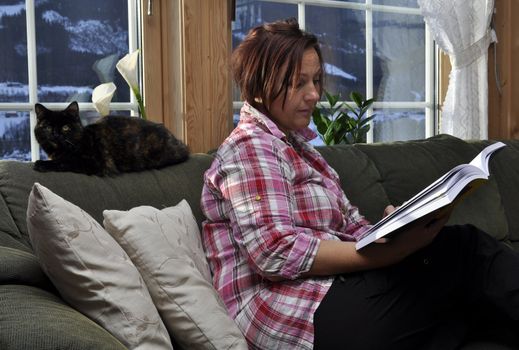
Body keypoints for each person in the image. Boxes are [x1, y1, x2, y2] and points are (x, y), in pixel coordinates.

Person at [200, 18, 519, 350]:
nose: (313, 95)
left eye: (316, 81)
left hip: (336, 294)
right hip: (296, 313)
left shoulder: (303, 152)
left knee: (475, 313)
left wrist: (392, 229)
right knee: (466, 249)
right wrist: (390, 254)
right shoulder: (250, 146)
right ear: (260, 86)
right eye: (298, 83)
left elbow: (351, 224)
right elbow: (275, 251)